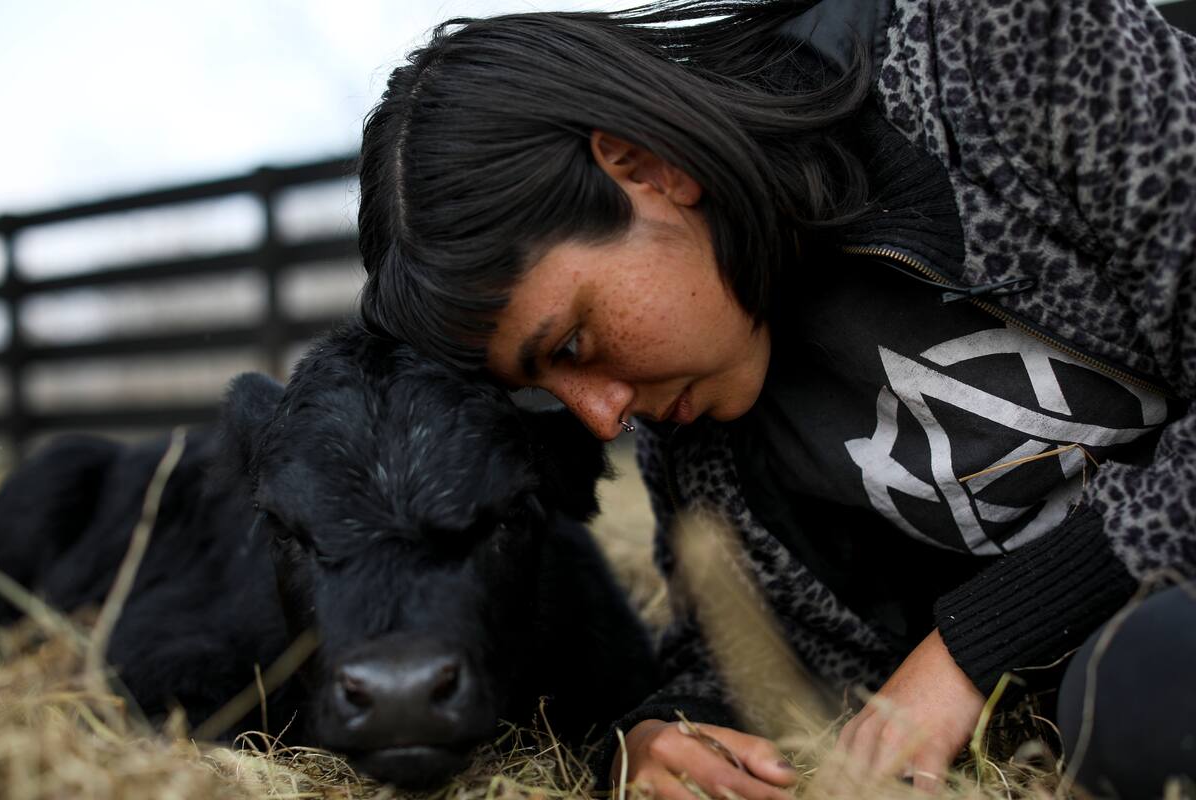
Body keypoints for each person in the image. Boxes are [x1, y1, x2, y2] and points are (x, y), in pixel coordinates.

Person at [355, 0, 1196, 796]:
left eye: (572, 344)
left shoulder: (987, 54)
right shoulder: (705, 434)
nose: (602, 416)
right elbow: (759, 659)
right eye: (544, 389)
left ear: (642, 168)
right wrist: (661, 737)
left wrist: (975, 648)